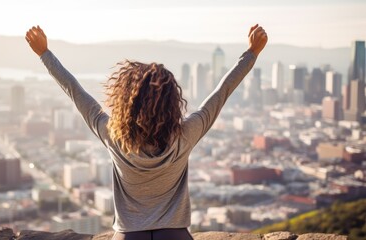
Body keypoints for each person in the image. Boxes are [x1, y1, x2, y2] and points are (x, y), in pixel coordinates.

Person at [26, 24, 267, 240]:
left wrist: (44, 54)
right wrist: (252, 53)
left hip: (127, 236)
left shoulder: (113, 135)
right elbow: (222, 92)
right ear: (173, 102)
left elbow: (74, 91)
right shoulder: (185, 135)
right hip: (176, 235)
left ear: (124, 103)